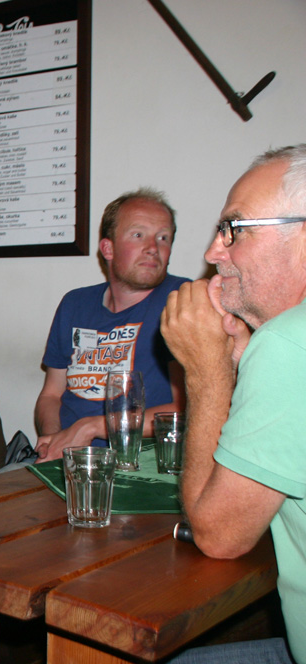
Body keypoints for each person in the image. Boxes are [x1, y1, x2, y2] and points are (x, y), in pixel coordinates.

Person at [160, 145, 306, 664]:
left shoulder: (288, 343)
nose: (213, 251)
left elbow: (219, 535)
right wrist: (244, 362)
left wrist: (205, 370)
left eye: (234, 229)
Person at [34, 188, 188, 461]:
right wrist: (54, 440)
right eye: (138, 235)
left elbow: (187, 408)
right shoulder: (74, 303)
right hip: (69, 459)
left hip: (138, 463)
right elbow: (51, 395)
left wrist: (93, 427)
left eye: (163, 238)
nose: (153, 248)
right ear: (108, 248)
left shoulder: (181, 300)